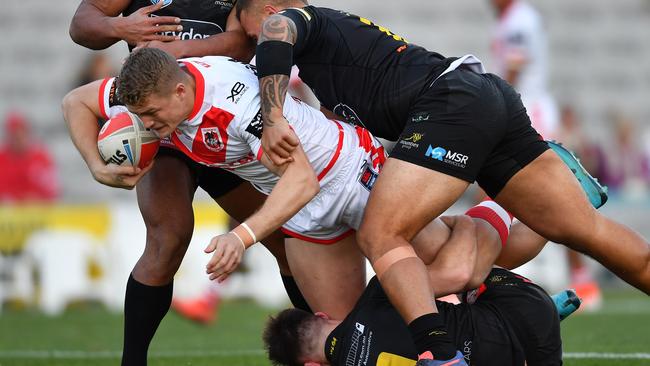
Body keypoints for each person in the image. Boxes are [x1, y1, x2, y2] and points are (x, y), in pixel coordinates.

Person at [236, 1, 650, 364]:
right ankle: (533, 215)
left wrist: (272, 119)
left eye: (246, 31)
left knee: (381, 235)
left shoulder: (292, 20)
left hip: (448, 106)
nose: (249, 44)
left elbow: (276, 31)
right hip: (479, 98)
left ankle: (441, 353)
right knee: (582, 231)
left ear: (269, 12)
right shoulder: (321, 63)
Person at [64, 49, 537, 323]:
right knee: (348, 335)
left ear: (182, 92)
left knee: (457, 273)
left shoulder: (233, 102)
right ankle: (500, 305)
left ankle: (510, 215)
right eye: (140, 117)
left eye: (151, 116)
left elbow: (302, 178)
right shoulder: (158, 90)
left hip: (349, 175)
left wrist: (241, 236)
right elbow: (76, 101)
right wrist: (97, 167)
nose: (146, 127)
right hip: (305, 212)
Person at [67, 2, 306, 365]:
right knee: (168, 237)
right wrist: (123, 28)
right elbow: (81, 25)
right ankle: (132, 361)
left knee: (284, 239)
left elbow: (244, 42)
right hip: (159, 124)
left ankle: (323, 341)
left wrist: (176, 52)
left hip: (217, 116)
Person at [263, 214, 574, 366]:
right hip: (526, 307)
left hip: (538, 356)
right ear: (321, 315)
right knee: (468, 262)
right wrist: (462, 223)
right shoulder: (378, 294)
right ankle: (558, 206)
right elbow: (458, 273)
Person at [488, 0, 559, 140]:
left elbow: (514, 69)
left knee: (538, 159)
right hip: (519, 104)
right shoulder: (509, 18)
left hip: (530, 108)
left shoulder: (520, 21)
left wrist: (494, 103)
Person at [0, 111, 59, 203]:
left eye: (21, 133)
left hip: (36, 212)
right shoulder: (1, 159)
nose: (18, 138)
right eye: (14, 134)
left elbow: (52, 191)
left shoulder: (41, 158)